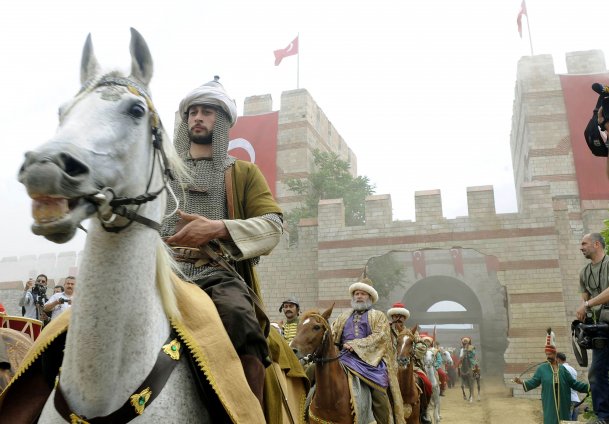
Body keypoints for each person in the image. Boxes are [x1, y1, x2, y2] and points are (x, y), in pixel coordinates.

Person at [161, 77, 283, 404]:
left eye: (208, 112)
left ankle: (247, 412)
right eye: (193, 112)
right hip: (159, 270)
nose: (198, 118)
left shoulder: (241, 173)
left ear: (223, 122)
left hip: (214, 273)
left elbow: (273, 227)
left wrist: (217, 229)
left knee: (242, 322)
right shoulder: (161, 173)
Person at [331, 278, 404, 424]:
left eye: (363, 294)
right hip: (343, 358)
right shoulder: (343, 316)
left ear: (370, 297)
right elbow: (333, 335)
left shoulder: (378, 316)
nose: (359, 296)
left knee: (379, 397)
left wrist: (356, 345)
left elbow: (380, 337)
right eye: (356, 293)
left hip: (372, 363)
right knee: (315, 372)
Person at [514, 329, 589, 424]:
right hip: (549, 406)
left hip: (564, 406)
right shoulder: (542, 369)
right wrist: (521, 382)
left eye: (550, 354)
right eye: (546, 354)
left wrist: (589, 388)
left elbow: (574, 384)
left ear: (555, 354)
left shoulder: (563, 369)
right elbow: (534, 381)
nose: (548, 356)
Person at [575, 232, 609, 423]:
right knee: (596, 373)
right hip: (601, 330)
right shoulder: (584, 273)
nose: (581, 247)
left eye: (584, 243)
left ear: (597, 244)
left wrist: (587, 305)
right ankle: (603, 417)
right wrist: (582, 319)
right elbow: (584, 300)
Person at [557, 352, 580, 421]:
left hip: (567, 400)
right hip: (576, 399)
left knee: (567, 421)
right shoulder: (573, 369)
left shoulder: (561, 369)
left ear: (558, 359)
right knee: (574, 422)